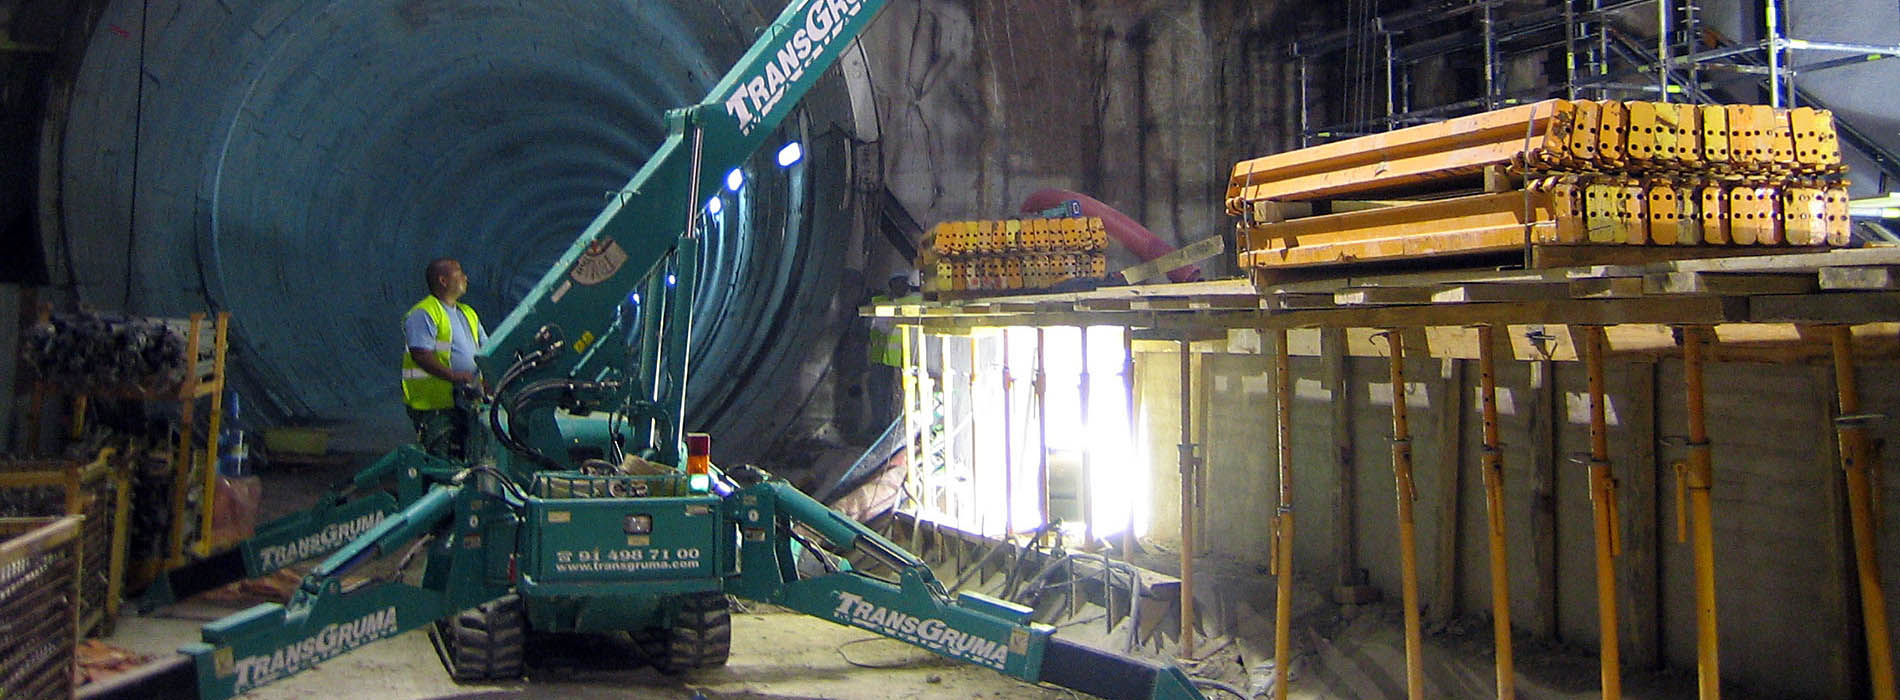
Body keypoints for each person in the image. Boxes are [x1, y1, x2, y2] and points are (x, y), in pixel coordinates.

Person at [401, 258, 485, 459]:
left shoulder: (468, 313)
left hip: (464, 401)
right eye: (459, 272)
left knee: (467, 457)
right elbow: (421, 355)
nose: (465, 277)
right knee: (440, 460)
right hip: (435, 407)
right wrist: (455, 376)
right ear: (443, 280)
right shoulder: (424, 313)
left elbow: (486, 349)